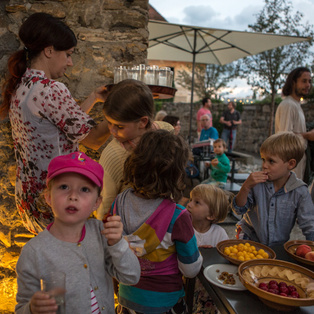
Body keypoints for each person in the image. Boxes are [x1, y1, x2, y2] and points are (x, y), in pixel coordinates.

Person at [0, 13, 110, 234]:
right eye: (68, 55)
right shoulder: (52, 89)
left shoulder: (23, 84)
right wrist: (125, 108)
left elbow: (61, 124)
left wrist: (93, 98)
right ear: (49, 51)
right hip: (56, 201)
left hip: (30, 200)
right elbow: (95, 140)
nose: (70, 62)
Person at [15, 152, 141, 314]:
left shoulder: (100, 233)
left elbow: (131, 277)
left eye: (84, 189)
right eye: (64, 187)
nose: (73, 196)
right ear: (48, 197)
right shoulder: (33, 252)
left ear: (96, 202)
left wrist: (118, 244)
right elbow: (21, 309)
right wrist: (32, 309)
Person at [112, 130, 203, 314]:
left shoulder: (118, 203)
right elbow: (191, 270)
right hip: (165, 303)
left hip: (127, 299)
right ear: (176, 174)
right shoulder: (178, 216)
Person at [97, 79, 173, 220]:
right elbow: (106, 204)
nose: (112, 131)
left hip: (164, 222)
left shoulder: (169, 133)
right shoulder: (112, 156)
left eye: (119, 127)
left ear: (143, 122)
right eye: (109, 123)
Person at [232, 132, 314, 246]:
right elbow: (238, 210)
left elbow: (310, 226)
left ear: (290, 164)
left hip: (277, 246)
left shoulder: (300, 191)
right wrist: (246, 186)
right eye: (263, 159)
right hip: (249, 237)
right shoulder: (257, 183)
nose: (264, 165)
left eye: (271, 161)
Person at [186, 184, 229, 314]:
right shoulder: (183, 228)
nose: (189, 204)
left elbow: (225, 261)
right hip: (186, 284)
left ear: (211, 215)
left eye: (197, 202)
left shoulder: (219, 234)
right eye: (190, 200)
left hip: (209, 288)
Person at [275, 67, 312, 181]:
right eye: (304, 81)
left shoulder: (296, 104)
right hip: (290, 169)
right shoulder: (288, 105)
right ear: (293, 82)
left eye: (310, 81)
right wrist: (307, 135)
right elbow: (285, 138)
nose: (308, 85)